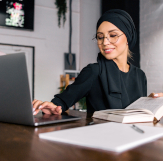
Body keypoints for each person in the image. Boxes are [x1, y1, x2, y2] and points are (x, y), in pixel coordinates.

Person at [33, 9, 163, 115]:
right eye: (100, 37)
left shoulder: (140, 75)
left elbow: (138, 115)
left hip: (133, 142)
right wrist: (53, 106)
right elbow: (63, 100)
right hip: (101, 141)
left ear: (128, 37)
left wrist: (152, 105)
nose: (105, 43)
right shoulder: (94, 71)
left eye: (112, 35)